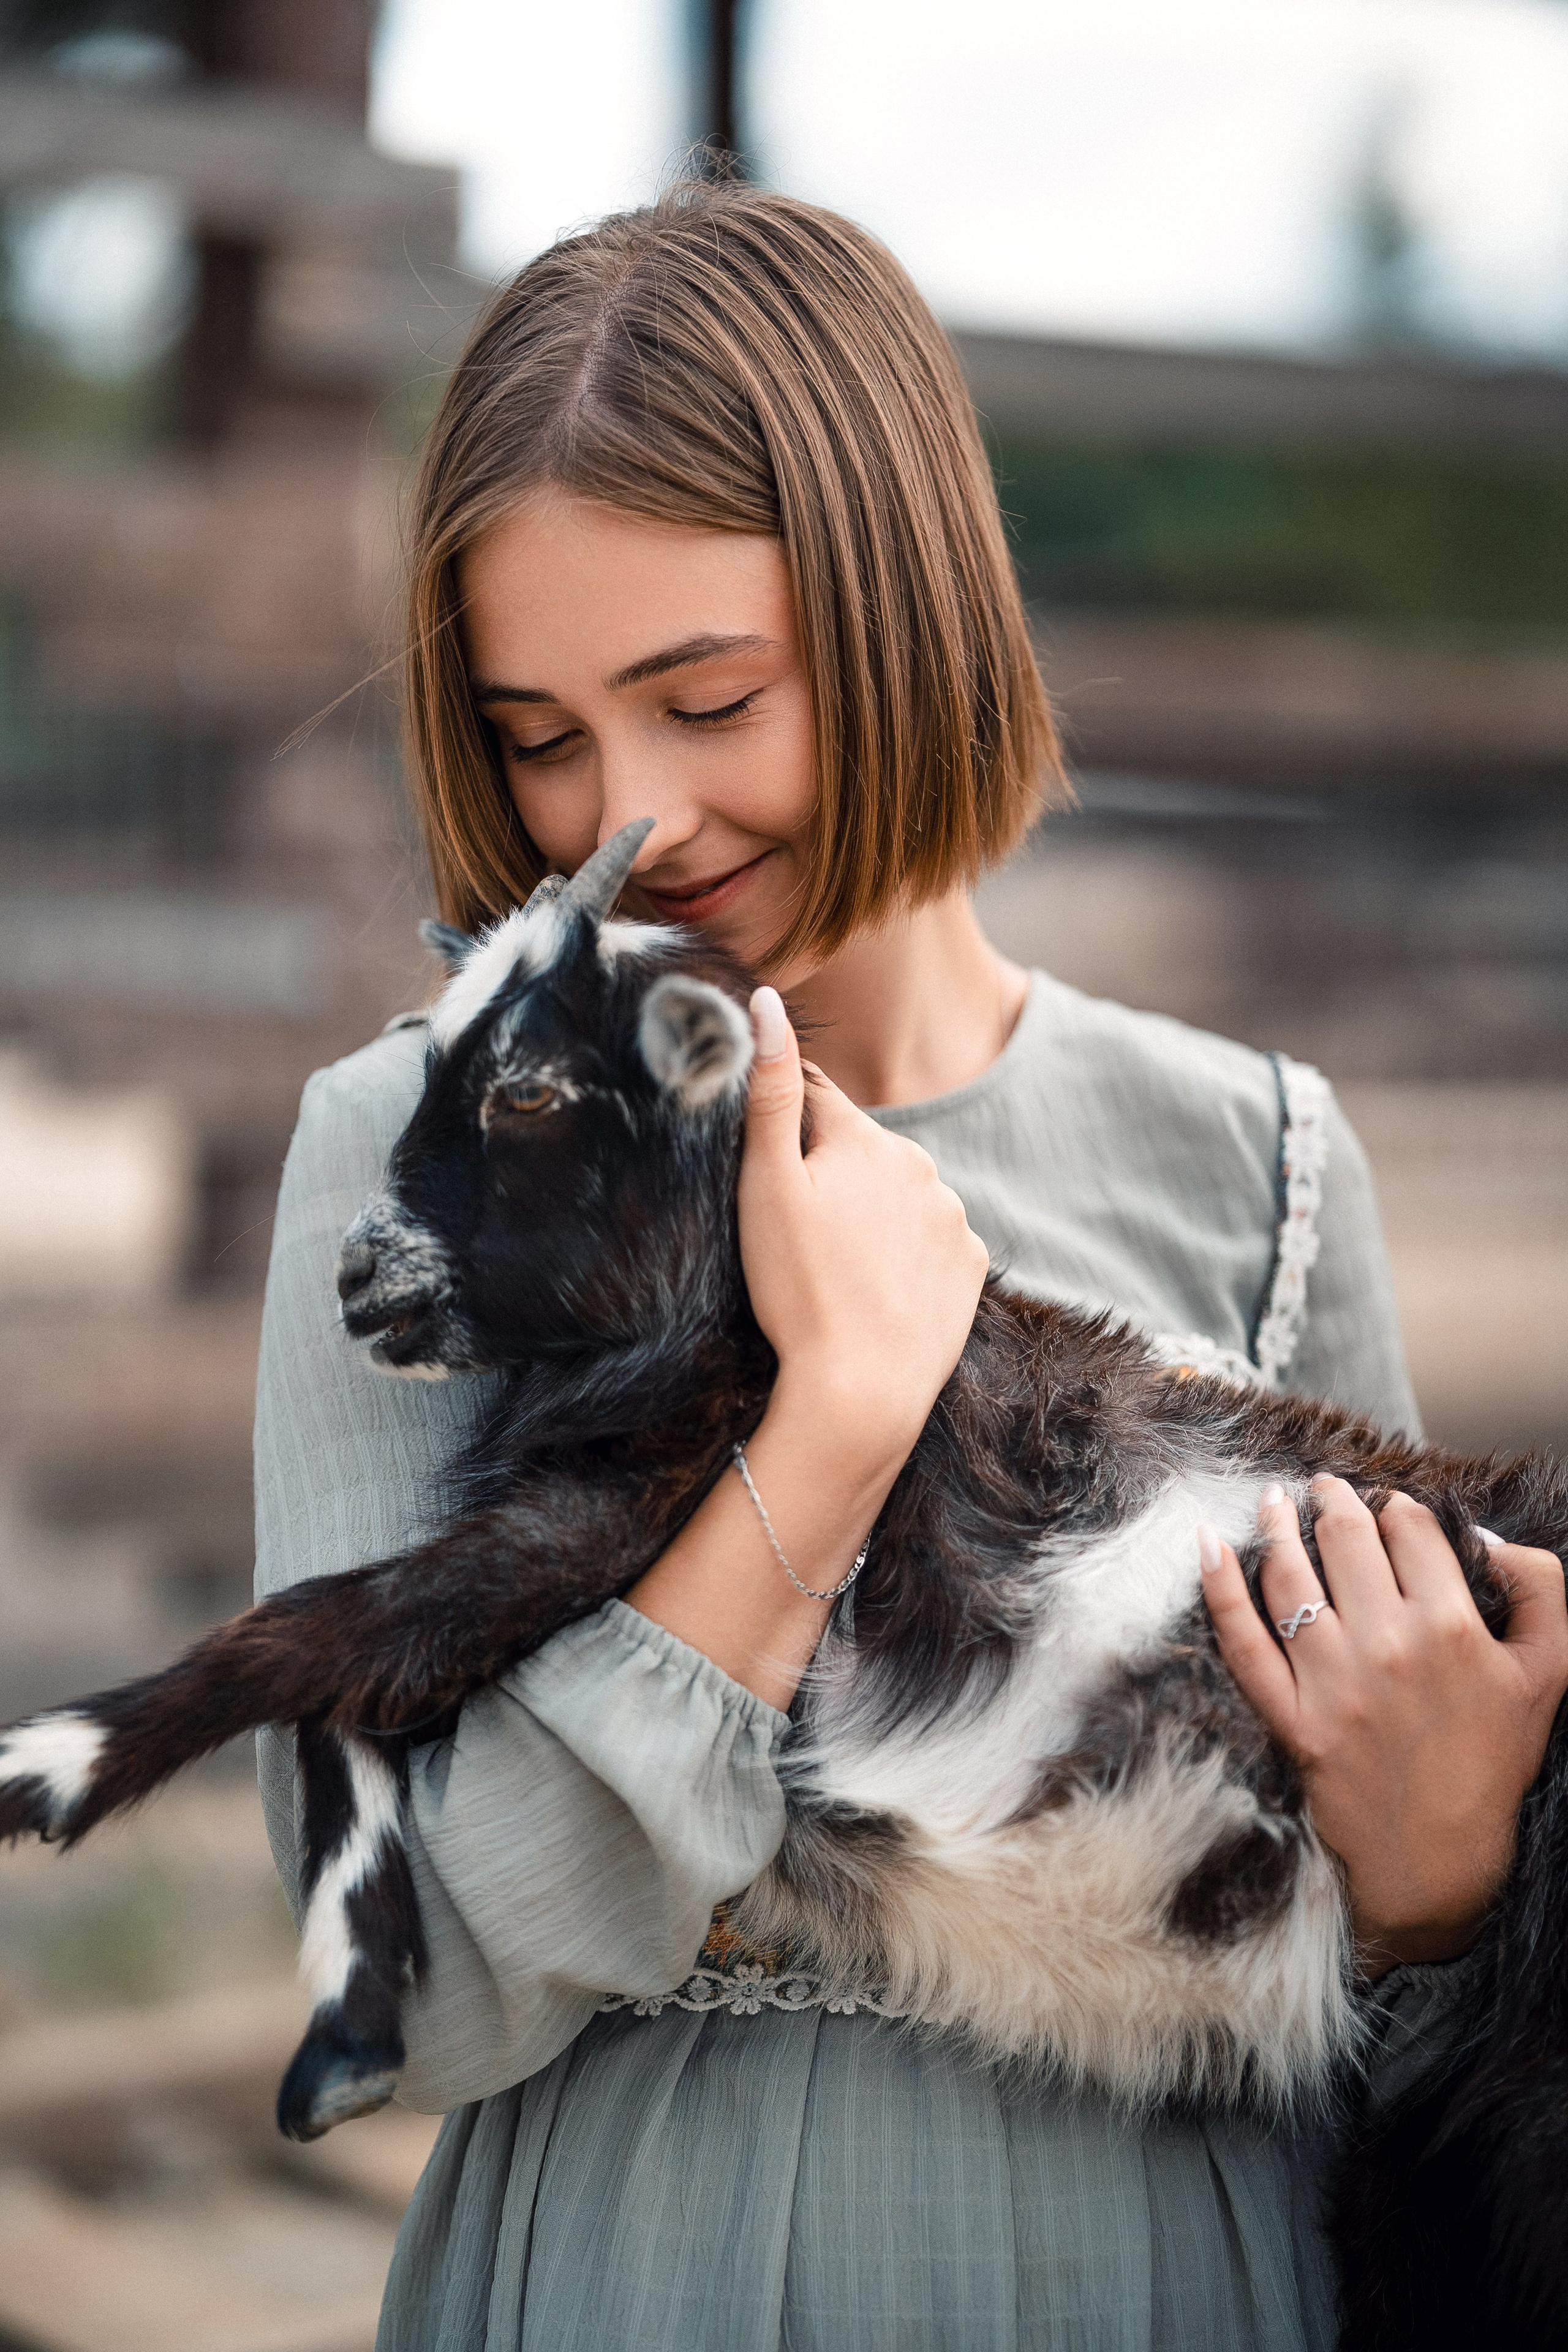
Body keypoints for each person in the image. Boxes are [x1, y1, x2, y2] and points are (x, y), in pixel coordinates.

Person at [254, 182, 1567, 2351]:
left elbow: (1397, 2029)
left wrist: (1439, 1893)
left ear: (906, 615)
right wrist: (837, 1434)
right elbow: (399, 1990)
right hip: (635, 2276)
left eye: (707, 698)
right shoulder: (405, 1173)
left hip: (1181, 2283)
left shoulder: (1262, 1161)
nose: (626, 831)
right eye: (540, 733)